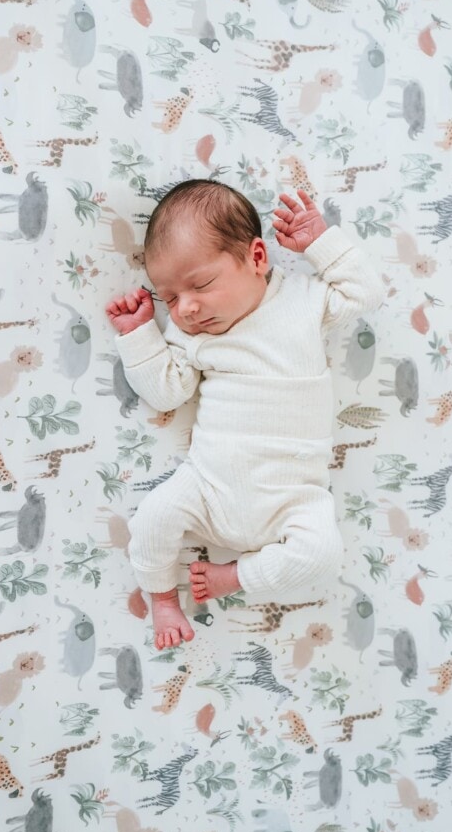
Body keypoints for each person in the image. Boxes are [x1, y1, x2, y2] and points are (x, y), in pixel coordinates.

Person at [105, 180, 384, 650]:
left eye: (200, 285)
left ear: (257, 258)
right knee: (152, 518)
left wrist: (319, 242)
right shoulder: (192, 333)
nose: (186, 306)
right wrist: (140, 337)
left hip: (293, 496)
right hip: (209, 485)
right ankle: (163, 599)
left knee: (322, 555)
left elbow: (366, 293)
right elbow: (168, 392)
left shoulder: (302, 300)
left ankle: (232, 577)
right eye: (169, 297)